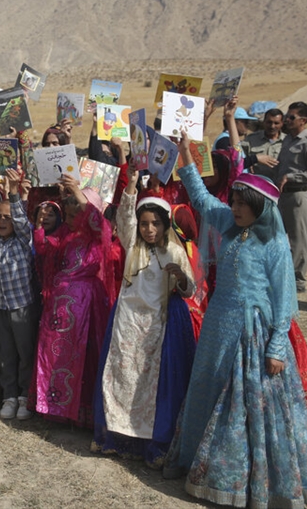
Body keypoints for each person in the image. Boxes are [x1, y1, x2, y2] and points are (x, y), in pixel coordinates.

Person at [166, 134, 307, 508]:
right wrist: (186, 154)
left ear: (260, 207)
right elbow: (202, 200)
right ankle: (198, 462)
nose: (234, 207)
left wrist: (276, 347)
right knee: (208, 386)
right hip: (219, 324)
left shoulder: (275, 245)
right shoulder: (230, 224)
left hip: (253, 335)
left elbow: (284, 301)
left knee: (242, 405)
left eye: (241, 203)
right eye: (234, 201)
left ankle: (242, 478)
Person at [91, 164, 196, 468]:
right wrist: (131, 188)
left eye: (155, 224)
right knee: (123, 378)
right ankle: (118, 439)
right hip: (127, 322)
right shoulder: (132, 244)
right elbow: (124, 218)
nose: (149, 229)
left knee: (152, 385)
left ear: (165, 225)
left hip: (158, 327)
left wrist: (181, 278)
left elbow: (189, 291)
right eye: (145, 223)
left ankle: (154, 443)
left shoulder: (175, 253)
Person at [32, 175, 113, 427]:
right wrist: (39, 226)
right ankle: (55, 408)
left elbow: (96, 218)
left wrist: (78, 192)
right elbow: (44, 249)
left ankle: (80, 412)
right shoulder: (66, 233)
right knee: (56, 358)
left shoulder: (96, 234)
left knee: (81, 359)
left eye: (77, 205)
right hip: (58, 310)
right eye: (69, 205)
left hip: (85, 307)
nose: (71, 209)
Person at [0, 170, 40, 420]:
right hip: (2, 308)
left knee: (24, 353)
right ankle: (9, 396)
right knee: (6, 353)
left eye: (6, 217)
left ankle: (24, 397)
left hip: (22, 307)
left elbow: (21, 219)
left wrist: (13, 191)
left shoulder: (23, 239)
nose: (2, 221)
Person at [275, 101, 307, 293]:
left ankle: (297, 280)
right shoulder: (287, 140)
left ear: (303, 120)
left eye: (292, 117)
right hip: (282, 195)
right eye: (287, 115)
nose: (287, 119)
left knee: (298, 239)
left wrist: (291, 177)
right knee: (278, 236)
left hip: (298, 195)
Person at [243, 108, 285, 180]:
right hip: (257, 185)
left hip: (281, 187)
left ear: (282, 123)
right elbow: (238, 160)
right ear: (264, 122)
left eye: (276, 123)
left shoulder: (288, 141)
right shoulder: (251, 140)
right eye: (269, 122)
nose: (272, 126)